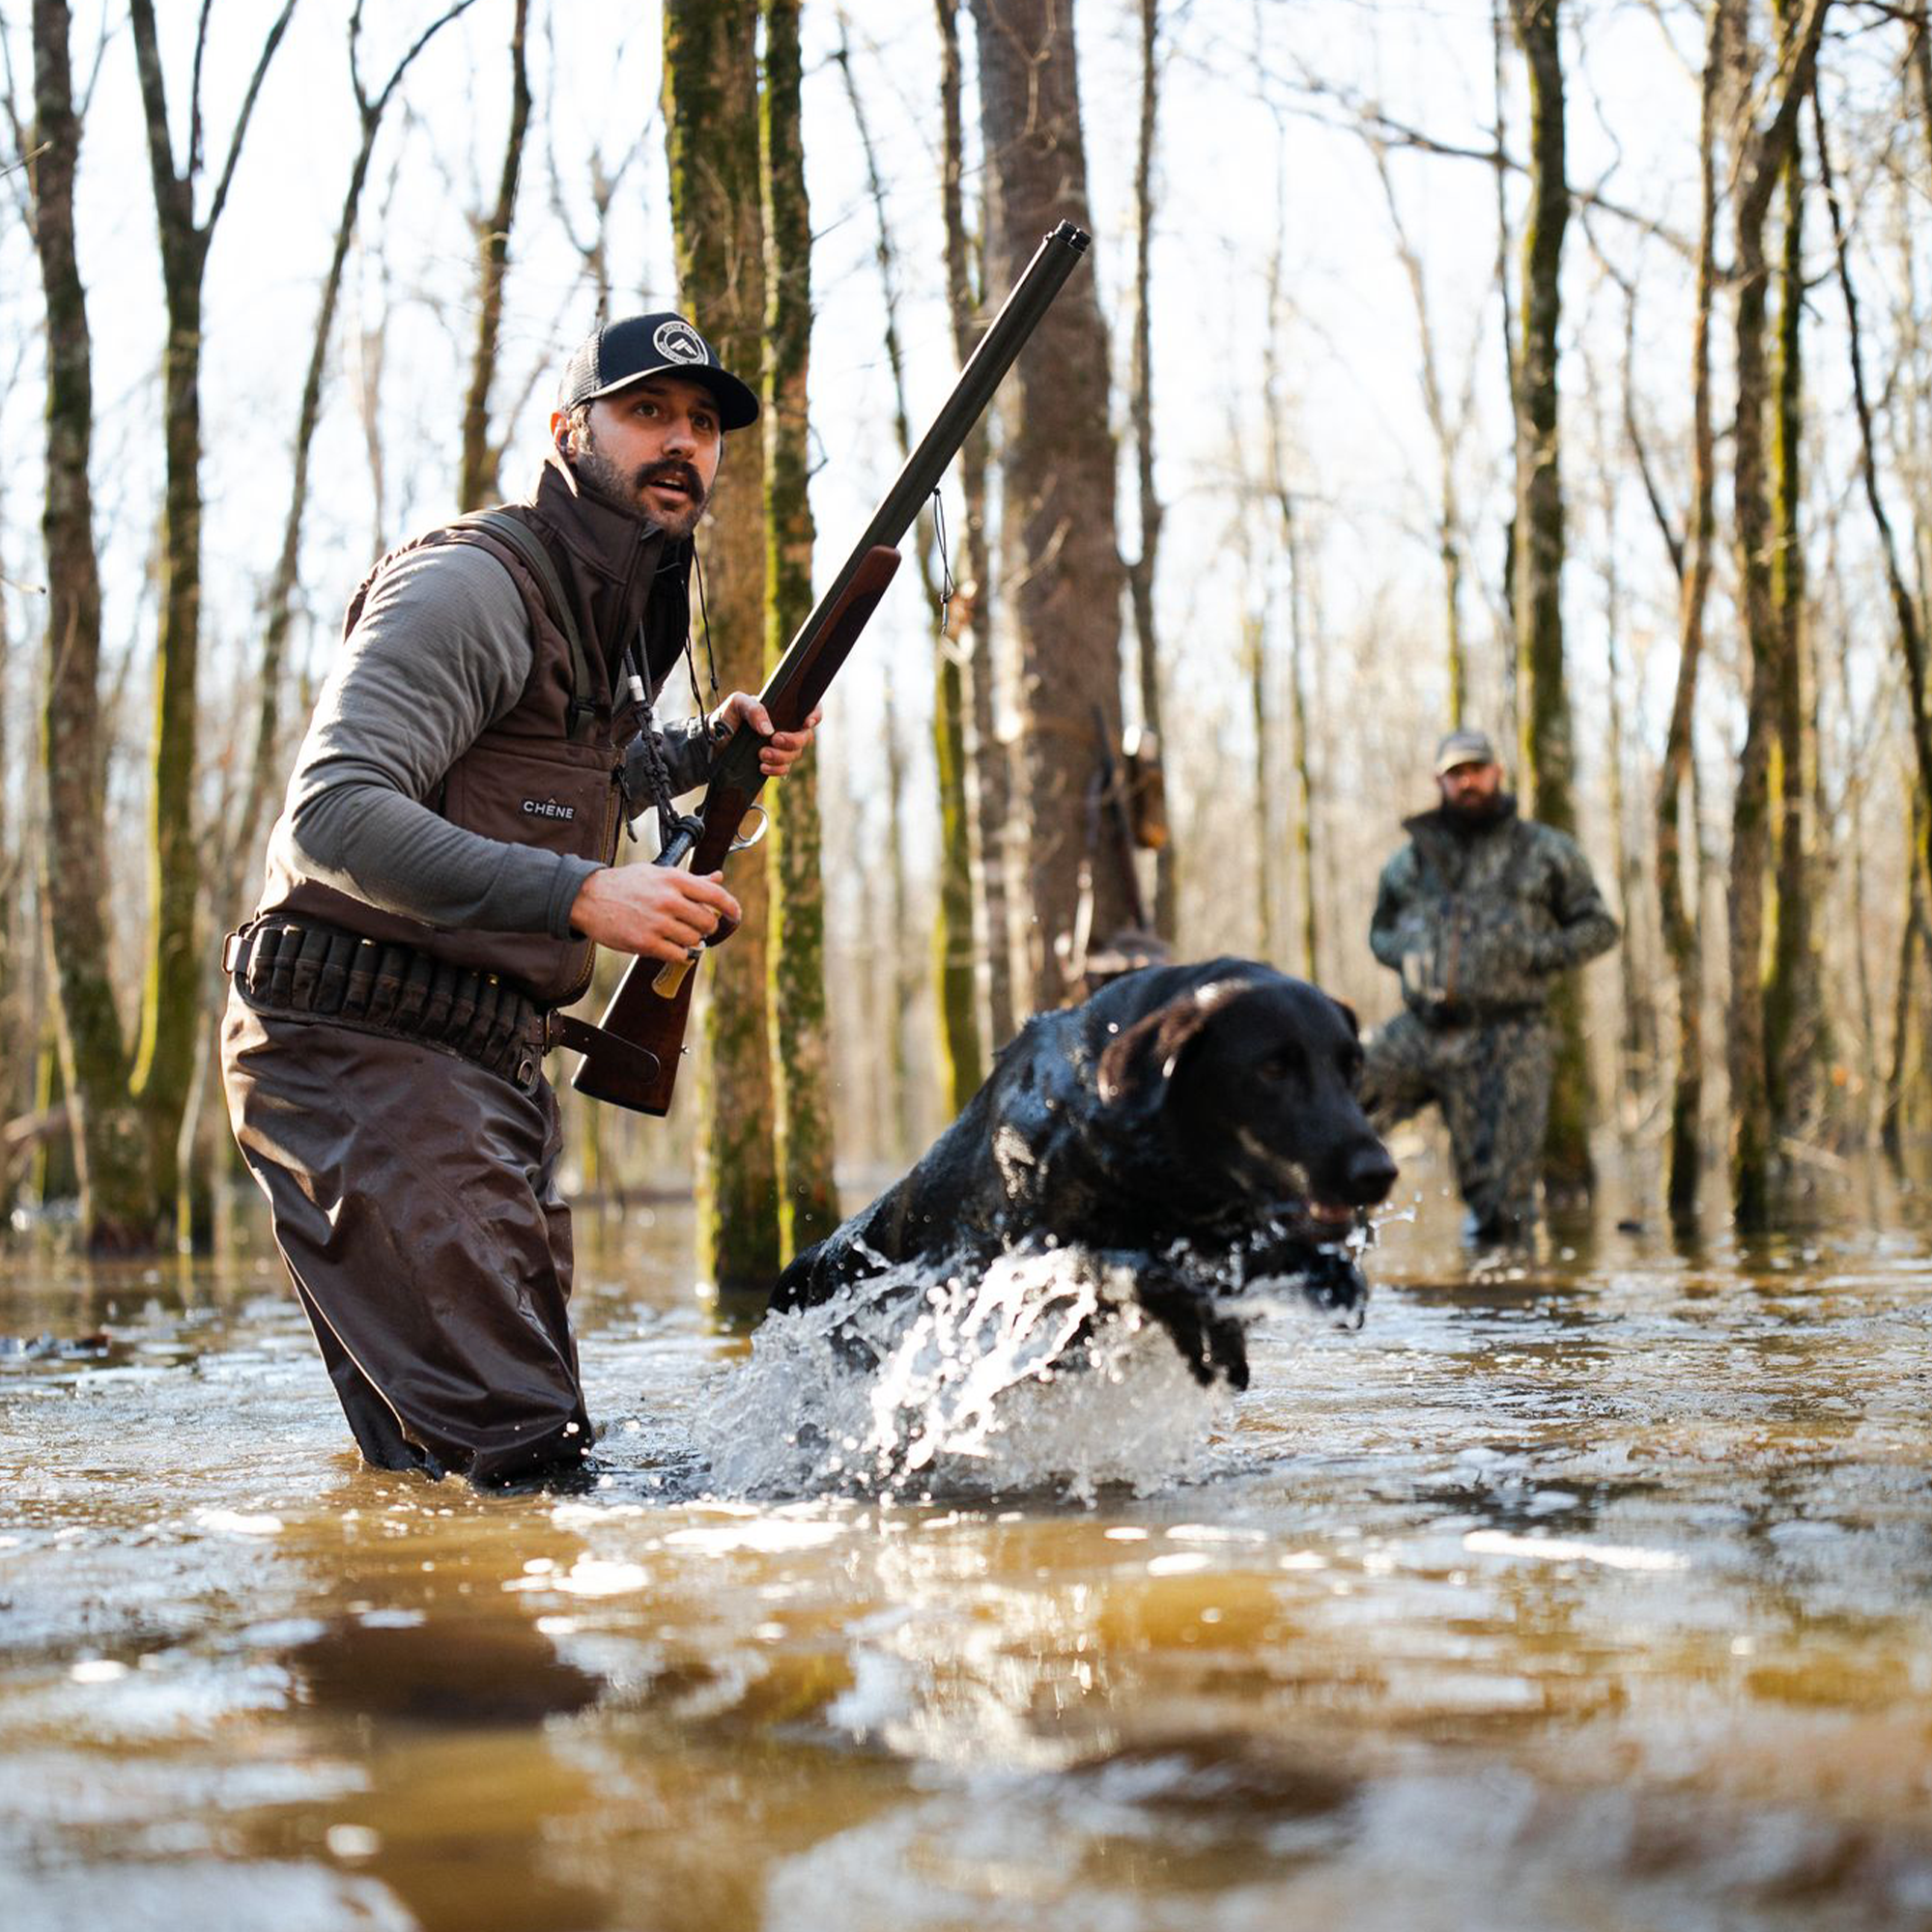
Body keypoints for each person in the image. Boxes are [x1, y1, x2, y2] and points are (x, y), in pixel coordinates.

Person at [219, 312, 817, 1486]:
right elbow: (330, 815)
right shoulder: (471, 584)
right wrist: (585, 892)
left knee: (459, 1484)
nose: (680, 443)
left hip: (477, 1066)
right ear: (568, 431)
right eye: (646, 411)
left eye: (702, 424)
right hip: (361, 1049)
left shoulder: (609, 612)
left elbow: (534, 781)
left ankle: (402, 1657)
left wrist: (704, 750)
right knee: (533, 1465)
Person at [1359, 728, 1618, 1242]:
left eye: (1477, 769)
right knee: (1334, 1106)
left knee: (1504, 1212)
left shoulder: (1544, 851)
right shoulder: (1410, 862)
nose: (1468, 781)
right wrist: (1409, 956)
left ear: (1497, 772)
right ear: (1440, 782)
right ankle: (1324, 1242)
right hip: (1423, 1030)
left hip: (1509, 1038)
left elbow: (1599, 926)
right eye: (1456, 773)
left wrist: (1536, 953)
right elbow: (1379, 932)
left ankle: (1501, 1306)